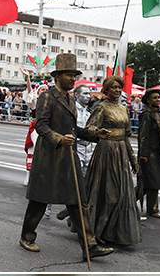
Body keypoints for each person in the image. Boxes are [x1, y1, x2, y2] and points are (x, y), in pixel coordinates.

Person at [19, 53, 114, 260]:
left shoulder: (70, 99)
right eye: (70, 75)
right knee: (39, 200)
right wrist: (59, 139)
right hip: (48, 158)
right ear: (58, 76)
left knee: (78, 200)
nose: (73, 79)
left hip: (68, 158)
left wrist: (94, 133)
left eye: (74, 75)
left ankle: (90, 245)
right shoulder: (47, 97)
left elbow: (74, 129)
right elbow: (41, 126)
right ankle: (27, 236)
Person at [84, 74, 142, 247]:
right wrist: (97, 130)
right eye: (114, 87)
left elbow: (126, 137)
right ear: (106, 90)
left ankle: (111, 232)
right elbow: (89, 128)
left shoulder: (124, 109)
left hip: (121, 154)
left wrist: (133, 160)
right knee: (109, 195)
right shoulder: (101, 107)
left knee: (122, 196)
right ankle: (95, 232)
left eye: (119, 87)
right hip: (106, 153)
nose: (117, 90)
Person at [138, 88, 160, 218]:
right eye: (154, 98)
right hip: (149, 155)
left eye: (158, 98)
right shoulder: (147, 115)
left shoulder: (157, 114)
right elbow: (143, 136)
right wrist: (143, 154)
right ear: (147, 100)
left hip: (158, 154)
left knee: (154, 183)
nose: (158, 100)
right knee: (148, 183)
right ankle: (128, 203)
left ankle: (152, 208)